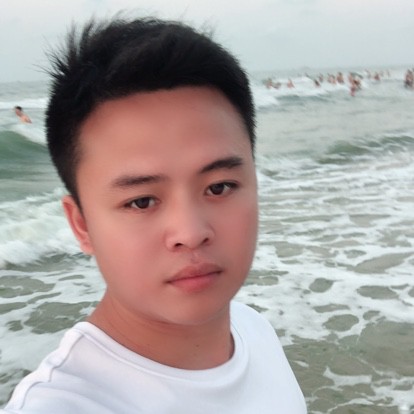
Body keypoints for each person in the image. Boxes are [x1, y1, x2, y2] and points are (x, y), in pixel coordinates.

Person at [2, 16, 307, 414]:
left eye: (219, 187)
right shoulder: (63, 405)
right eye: (142, 201)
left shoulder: (253, 328)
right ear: (81, 225)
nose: (190, 233)